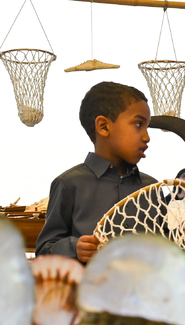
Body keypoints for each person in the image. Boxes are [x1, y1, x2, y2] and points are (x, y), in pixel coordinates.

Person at [36, 82, 158, 263]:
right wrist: (74, 248)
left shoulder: (152, 188)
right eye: (138, 124)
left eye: (147, 127)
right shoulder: (69, 184)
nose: (147, 137)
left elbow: (164, 247)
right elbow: (44, 250)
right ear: (103, 127)